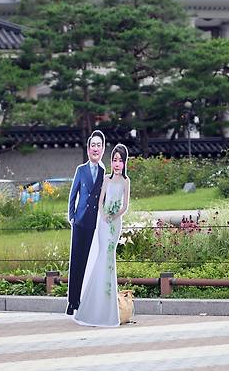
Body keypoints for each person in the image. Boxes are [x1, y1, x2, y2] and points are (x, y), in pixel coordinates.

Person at [74, 144, 130, 327]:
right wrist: (104, 215)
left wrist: (115, 215)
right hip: (104, 223)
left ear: (124, 163)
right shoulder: (106, 179)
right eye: (114, 160)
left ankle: (107, 309)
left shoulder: (125, 182)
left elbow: (125, 206)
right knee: (101, 259)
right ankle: (94, 307)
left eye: (120, 160)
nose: (117, 164)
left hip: (115, 224)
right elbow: (100, 201)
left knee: (109, 260)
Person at [66, 130, 106, 316]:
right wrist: (72, 216)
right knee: (76, 261)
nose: (95, 149)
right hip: (80, 221)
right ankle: (72, 301)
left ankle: (86, 300)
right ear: (88, 149)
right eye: (93, 145)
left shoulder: (104, 172)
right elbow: (73, 194)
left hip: (94, 223)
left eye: (99, 145)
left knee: (89, 262)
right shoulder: (81, 170)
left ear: (103, 149)